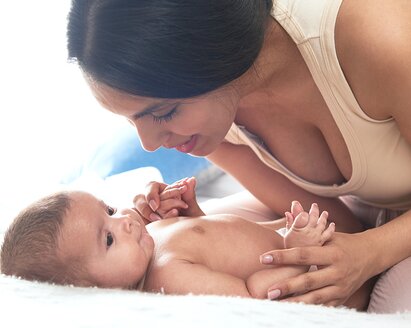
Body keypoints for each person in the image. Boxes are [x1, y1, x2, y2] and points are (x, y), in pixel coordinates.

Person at [66, 0, 411, 313]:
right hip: (355, 212)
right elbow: (341, 223)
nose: (150, 144)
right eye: (131, 120)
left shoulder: (378, 36)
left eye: (164, 113)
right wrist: (191, 224)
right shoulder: (212, 125)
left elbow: (353, 240)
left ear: (213, 54)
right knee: (167, 257)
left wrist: (371, 252)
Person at [2, 179, 370, 308]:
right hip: (342, 280)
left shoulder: (150, 243)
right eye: (109, 238)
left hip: (321, 237)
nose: (125, 222)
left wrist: (193, 214)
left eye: (109, 209)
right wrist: (296, 251)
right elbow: (260, 298)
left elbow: (220, 252)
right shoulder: (169, 280)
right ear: (89, 291)